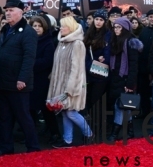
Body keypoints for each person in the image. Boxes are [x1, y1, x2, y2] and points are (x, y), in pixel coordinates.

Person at [0, 0, 40, 156]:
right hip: (3, 81)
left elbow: (29, 57)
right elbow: (0, 54)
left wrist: (22, 79)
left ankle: (33, 148)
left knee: (23, 117)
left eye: (11, 10)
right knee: (5, 118)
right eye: (7, 9)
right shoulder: (5, 29)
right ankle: (6, 148)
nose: (8, 12)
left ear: (21, 11)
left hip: (18, 83)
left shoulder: (28, 32)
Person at [48, 17, 92, 148]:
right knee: (65, 111)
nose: (60, 28)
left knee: (71, 112)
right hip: (61, 83)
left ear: (71, 27)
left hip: (72, 84)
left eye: (63, 26)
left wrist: (69, 89)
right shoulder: (62, 42)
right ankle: (68, 140)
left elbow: (76, 69)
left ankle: (89, 134)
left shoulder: (77, 44)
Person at [106, 17, 144, 141]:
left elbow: (134, 65)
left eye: (119, 27)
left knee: (119, 106)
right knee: (126, 106)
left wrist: (130, 83)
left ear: (125, 28)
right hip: (115, 77)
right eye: (115, 27)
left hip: (125, 78)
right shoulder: (114, 40)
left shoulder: (131, 42)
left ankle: (114, 133)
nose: (116, 30)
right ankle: (131, 131)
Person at [29, 15, 59, 144]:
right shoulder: (28, 40)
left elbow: (47, 61)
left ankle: (55, 133)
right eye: (34, 26)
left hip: (42, 80)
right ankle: (31, 133)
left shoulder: (48, 42)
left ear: (44, 27)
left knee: (46, 109)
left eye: (39, 26)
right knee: (30, 109)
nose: (36, 28)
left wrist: (30, 64)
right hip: (29, 79)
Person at [84, 9, 111, 117]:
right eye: (96, 19)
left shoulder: (108, 34)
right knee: (89, 100)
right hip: (89, 72)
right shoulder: (89, 33)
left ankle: (98, 126)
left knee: (96, 100)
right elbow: (84, 53)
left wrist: (101, 60)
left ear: (105, 21)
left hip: (101, 74)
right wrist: (90, 64)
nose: (98, 22)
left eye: (101, 19)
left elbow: (107, 56)